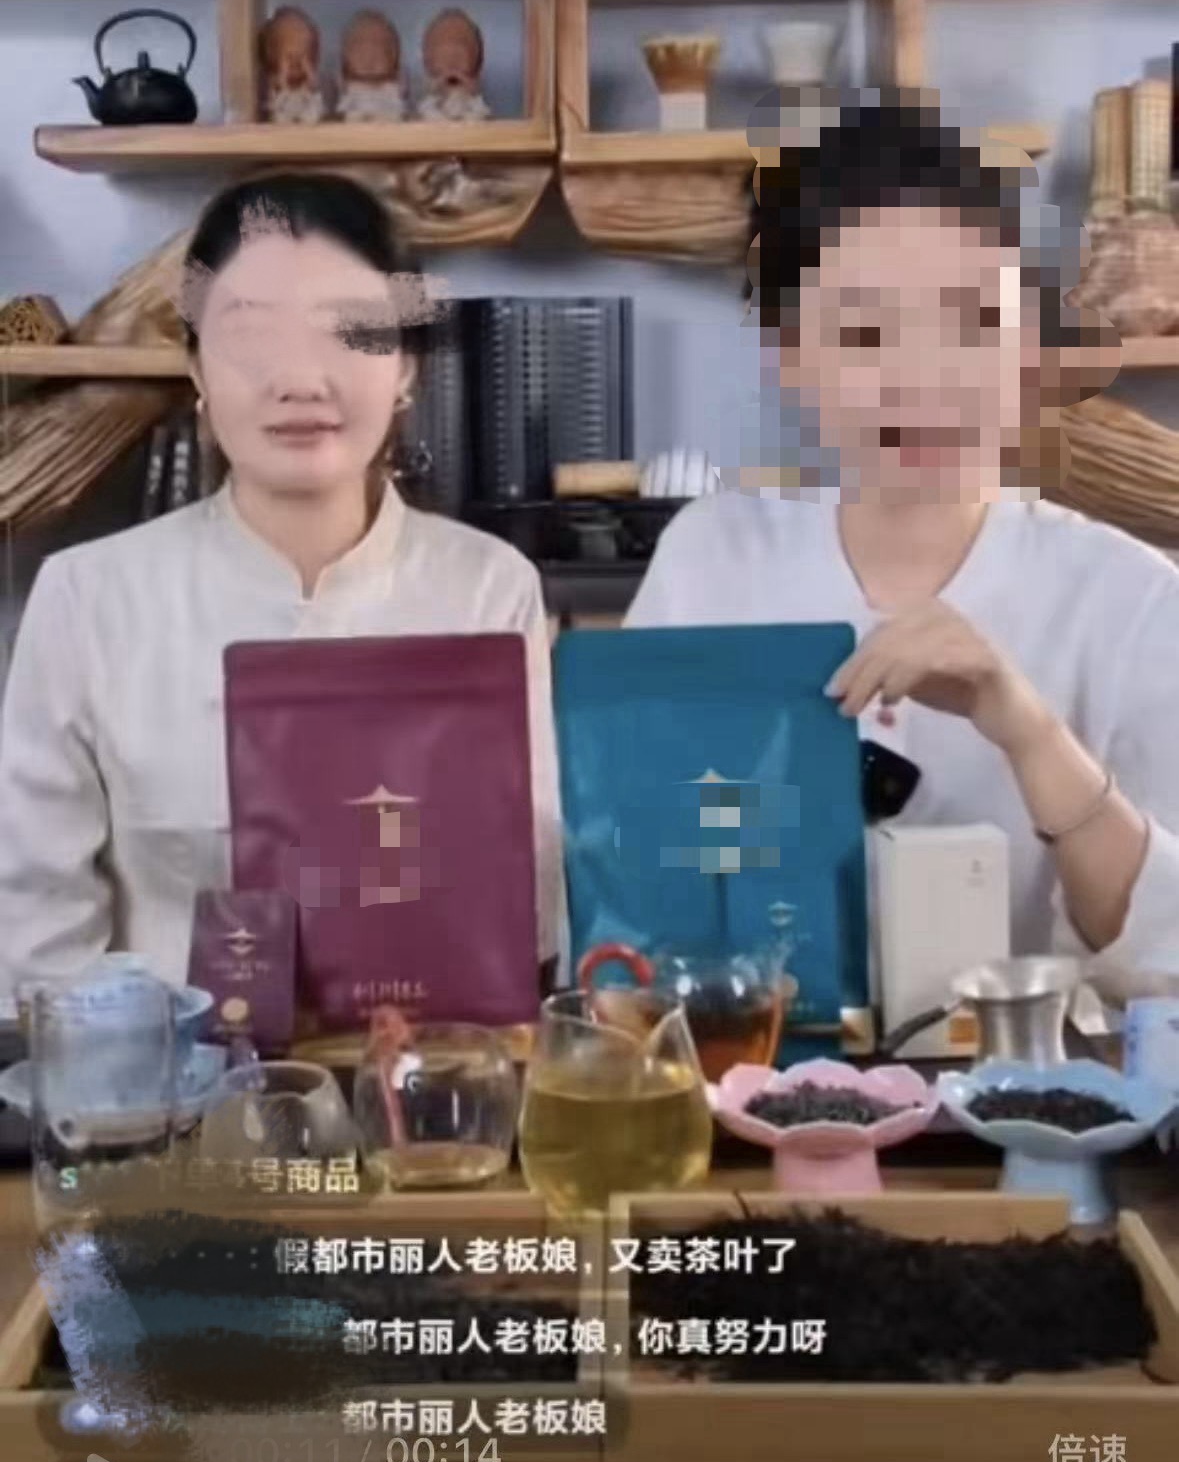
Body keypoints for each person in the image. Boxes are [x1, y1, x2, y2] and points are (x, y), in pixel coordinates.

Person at [626, 91, 1179, 997]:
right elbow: (629, 867)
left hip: (1023, 1081)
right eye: (863, 331)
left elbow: (1163, 960)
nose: (923, 377)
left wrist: (1029, 732)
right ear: (790, 354)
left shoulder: (1128, 598)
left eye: (971, 322)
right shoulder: (712, 561)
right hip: (753, 1067)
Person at [0, 170, 564, 1014]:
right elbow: (37, 930)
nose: (300, 380)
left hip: (434, 1078)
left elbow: (529, 899)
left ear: (406, 365)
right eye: (252, 335)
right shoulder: (87, 599)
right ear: (196, 367)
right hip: (163, 1082)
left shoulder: (487, 588)